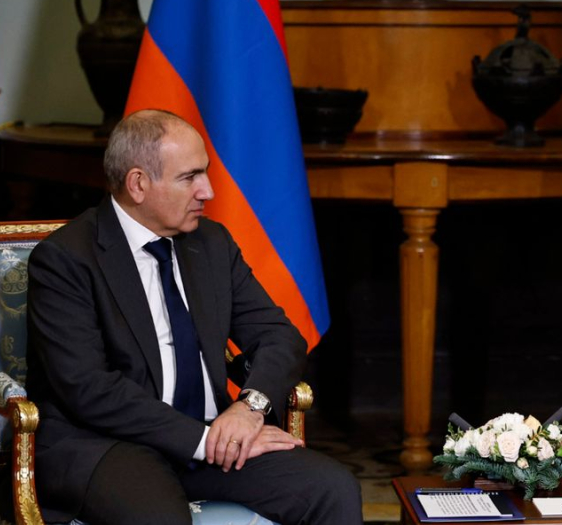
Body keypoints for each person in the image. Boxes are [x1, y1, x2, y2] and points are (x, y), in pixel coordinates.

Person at [26, 110, 362, 525]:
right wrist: (202, 440)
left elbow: (279, 336)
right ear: (138, 184)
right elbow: (87, 387)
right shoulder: (66, 259)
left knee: (332, 488)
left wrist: (249, 408)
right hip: (108, 443)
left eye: (204, 173)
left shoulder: (212, 244)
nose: (208, 191)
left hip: (214, 433)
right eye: (190, 177)